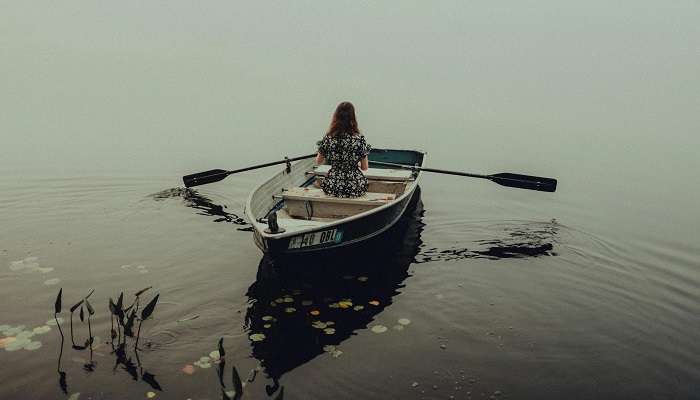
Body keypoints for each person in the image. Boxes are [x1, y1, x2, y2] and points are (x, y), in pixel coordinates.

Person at [315, 102, 371, 198]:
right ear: (353, 118)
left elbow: (319, 162)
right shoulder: (359, 139)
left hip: (332, 186)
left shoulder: (328, 138)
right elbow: (364, 167)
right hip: (355, 187)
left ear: (336, 117)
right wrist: (353, 163)